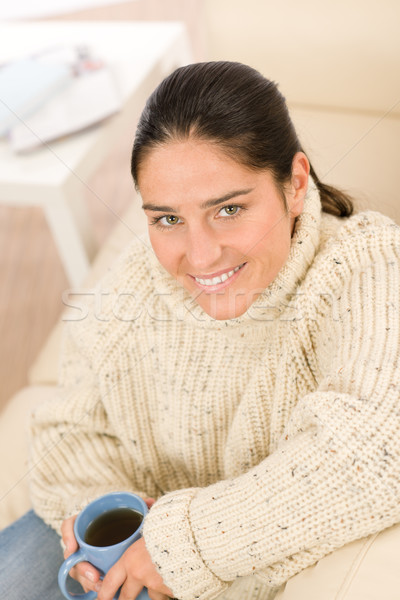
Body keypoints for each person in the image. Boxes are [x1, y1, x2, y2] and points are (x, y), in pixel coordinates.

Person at [0, 61, 399, 600]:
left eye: (229, 209)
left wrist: (182, 546)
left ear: (296, 182)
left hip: (228, 561)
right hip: (134, 550)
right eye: (167, 219)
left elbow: (377, 446)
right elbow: (69, 428)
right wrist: (105, 507)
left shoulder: (363, 264)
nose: (200, 255)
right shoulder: (141, 278)